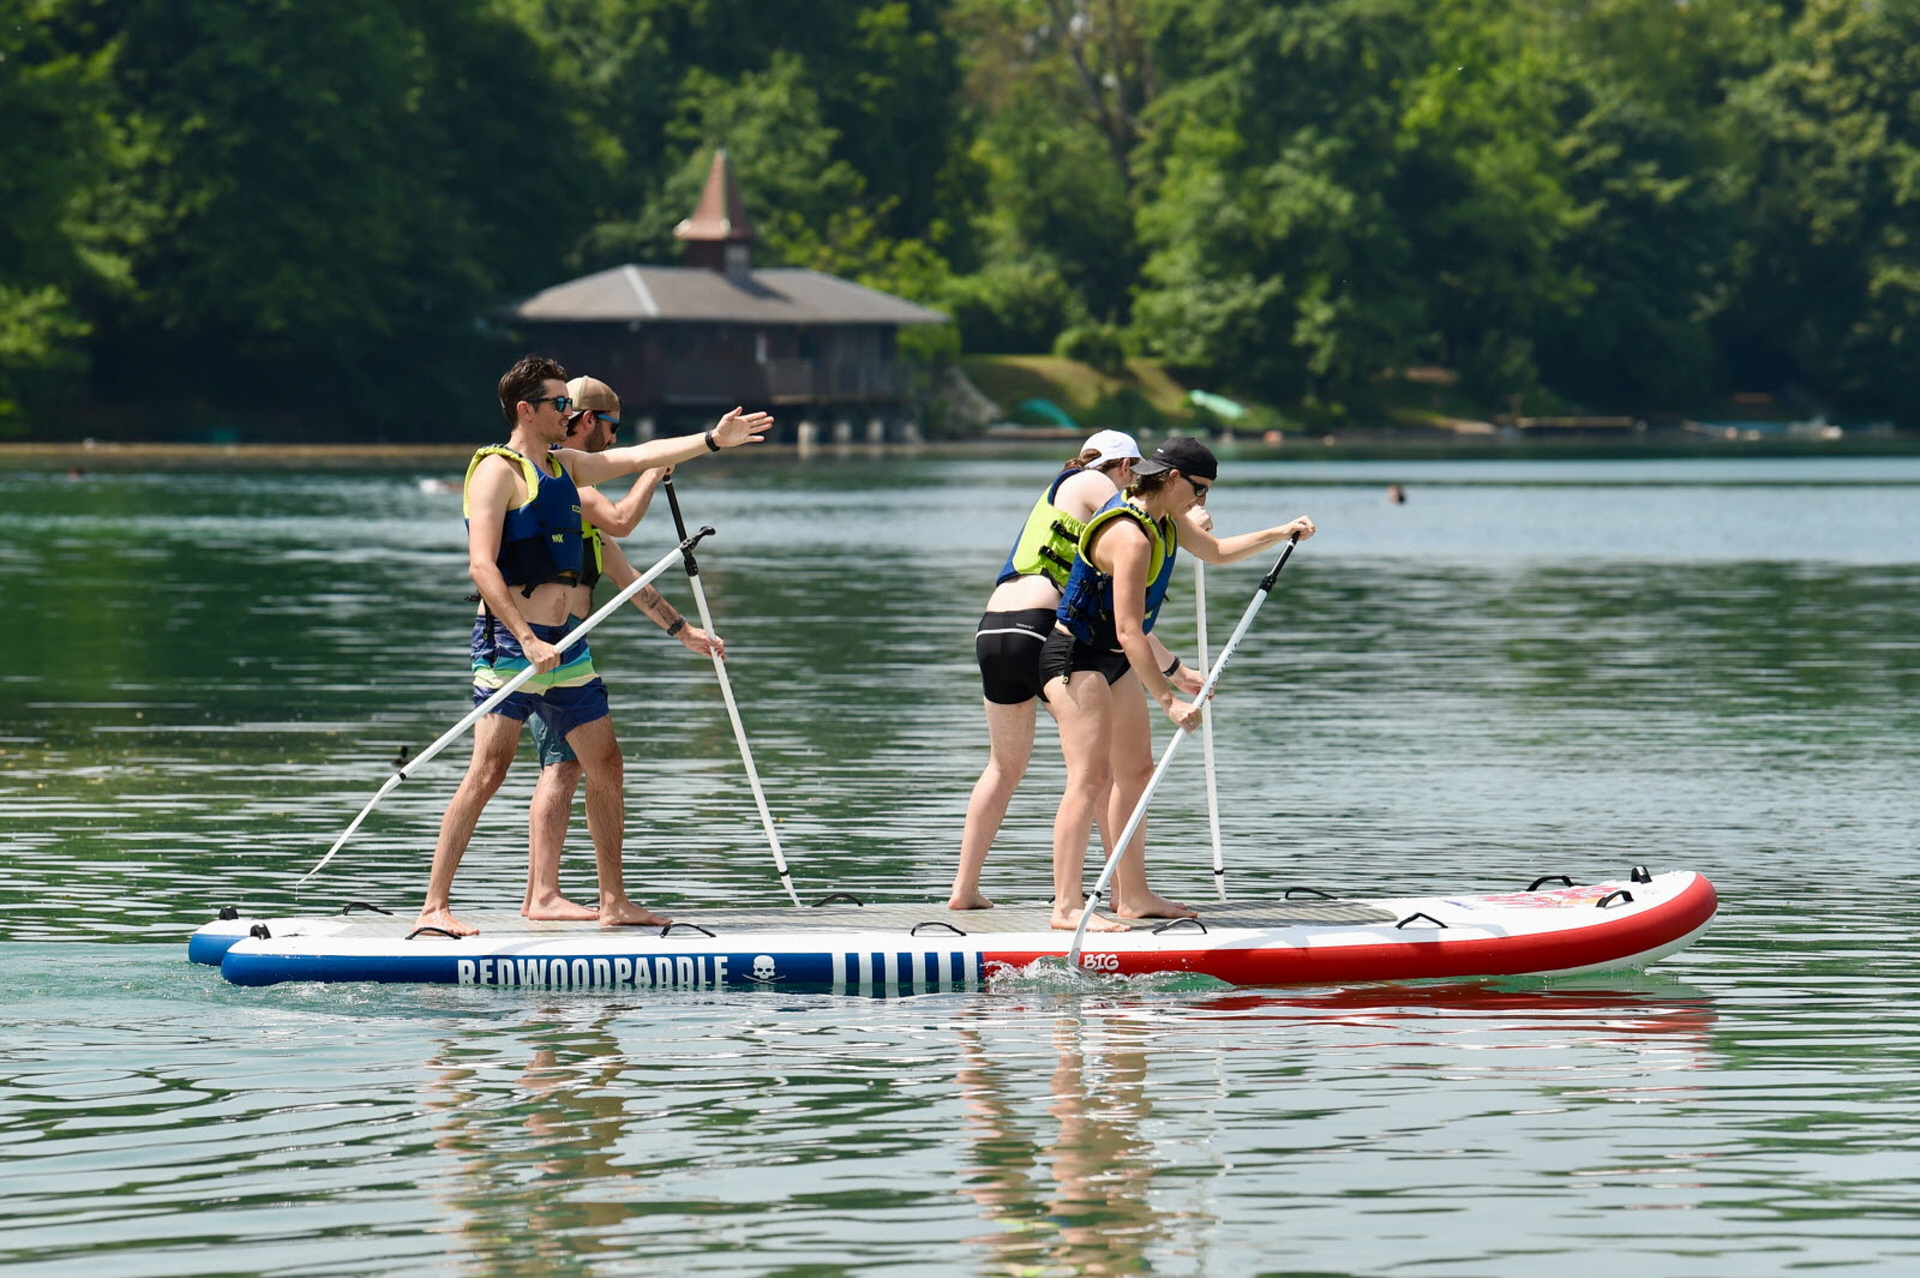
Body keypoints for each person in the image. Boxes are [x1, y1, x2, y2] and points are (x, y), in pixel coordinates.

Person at [415, 354, 771, 937]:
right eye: (558, 403)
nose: (568, 411)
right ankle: (434, 906)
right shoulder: (497, 472)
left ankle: (613, 901)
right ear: (526, 410)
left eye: (569, 403)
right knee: (489, 771)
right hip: (513, 647)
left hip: (570, 650)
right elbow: (481, 566)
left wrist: (711, 440)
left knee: (605, 764)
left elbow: (636, 458)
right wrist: (527, 638)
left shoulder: (567, 467)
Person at [1041, 436, 1316, 932]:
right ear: (1171, 478)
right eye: (1199, 489)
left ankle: (1132, 896)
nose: (1202, 500)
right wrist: (1168, 700)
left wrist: (1281, 532)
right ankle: (1065, 906)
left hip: (1114, 660)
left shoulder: (1165, 520)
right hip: (1076, 656)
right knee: (1090, 778)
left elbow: (1215, 551)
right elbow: (1129, 629)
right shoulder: (1129, 535)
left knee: (1137, 772)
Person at [521, 375, 726, 921]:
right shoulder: (563, 478)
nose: (614, 438)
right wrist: (653, 471)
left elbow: (626, 576)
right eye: (611, 427)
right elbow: (623, 520)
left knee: (573, 764)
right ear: (588, 421)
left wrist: (682, 630)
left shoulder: (577, 504)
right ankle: (549, 896)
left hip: (570, 646)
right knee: (563, 766)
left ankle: (563, 895)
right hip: (543, 645)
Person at [949, 430, 1153, 910]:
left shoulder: (1055, 492)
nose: (1135, 487)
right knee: (1094, 772)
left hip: (994, 629)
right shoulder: (1096, 484)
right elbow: (1140, 522)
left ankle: (964, 890)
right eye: (1135, 476)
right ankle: (1119, 892)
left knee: (1003, 767)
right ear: (1124, 467)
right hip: (1042, 627)